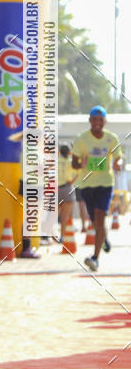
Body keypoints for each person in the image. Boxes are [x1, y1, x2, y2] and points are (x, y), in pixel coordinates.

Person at [72, 106, 123, 272]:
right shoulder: (81, 139)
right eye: (94, 119)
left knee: (100, 218)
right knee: (95, 222)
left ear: (105, 121)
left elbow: (119, 158)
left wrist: (117, 164)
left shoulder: (112, 138)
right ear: (89, 121)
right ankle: (104, 238)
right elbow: (74, 163)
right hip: (87, 185)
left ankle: (95, 258)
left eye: (101, 120)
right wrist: (81, 164)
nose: (97, 123)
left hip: (105, 184)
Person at [57, 143, 77, 242]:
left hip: (56, 189)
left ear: (59, 151)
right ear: (69, 152)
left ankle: (47, 236)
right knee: (65, 216)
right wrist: (72, 181)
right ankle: (62, 236)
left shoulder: (55, 161)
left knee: (53, 215)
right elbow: (78, 173)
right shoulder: (70, 161)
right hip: (67, 188)